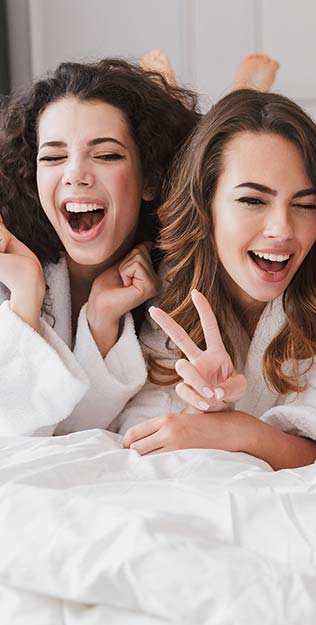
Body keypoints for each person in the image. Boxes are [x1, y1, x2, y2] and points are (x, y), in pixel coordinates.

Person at [0, 51, 279, 436]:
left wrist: (102, 321)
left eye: (107, 154)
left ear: (150, 178)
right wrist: (25, 299)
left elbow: (90, 435)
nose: (75, 174)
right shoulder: (12, 269)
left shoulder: (175, 288)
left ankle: (235, 103)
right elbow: (14, 438)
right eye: (53, 157)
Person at [117, 89, 316, 470]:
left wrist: (239, 431)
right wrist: (204, 408)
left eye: (305, 205)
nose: (282, 228)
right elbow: (145, 432)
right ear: (205, 203)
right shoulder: (171, 292)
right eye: (253, 201)